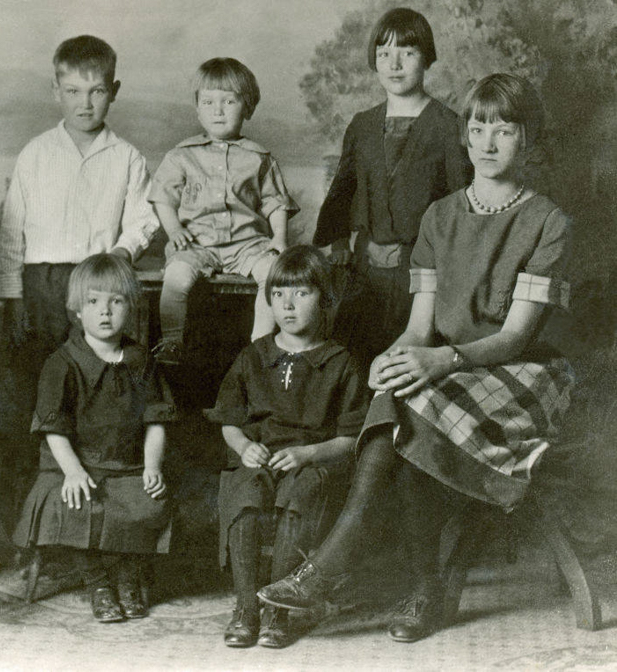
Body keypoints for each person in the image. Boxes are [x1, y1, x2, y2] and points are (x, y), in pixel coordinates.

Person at [257, 73, 573, 643]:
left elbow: (515, 338)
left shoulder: (548, 222)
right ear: (465, 135)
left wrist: (438, 361)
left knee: (415, 402)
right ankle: (424, 587)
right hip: (449, 369)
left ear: (528, 140)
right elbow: (420, 328)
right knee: (397, 391)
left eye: (505, 131)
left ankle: (335, 568)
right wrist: (392, 357)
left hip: (520, 373)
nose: (488, 142)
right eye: (479, 128)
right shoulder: (439, 217)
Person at [0, 35, 160, 520]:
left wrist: (119, 255)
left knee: (94, 392)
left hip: (97, 289)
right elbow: (11, 232)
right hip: (41, 287)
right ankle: (27, 509)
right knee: (34, 391)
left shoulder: (126, 157)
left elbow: (144, 219)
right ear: (56, 91)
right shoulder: (35, 153)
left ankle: (93, 505)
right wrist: (12, 297)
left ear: (114, 91)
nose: (85, 103)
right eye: (72, 91)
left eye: (97, 91)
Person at [205, 246, 368, 649]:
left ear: (325, 299)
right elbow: (229, 420)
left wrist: (308, 454)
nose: (288, 305)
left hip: (313, 460)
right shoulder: (254, 356)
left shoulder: (341, 362)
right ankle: (246, 606)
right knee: (243, 490)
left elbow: (351, 439)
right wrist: (244, 445)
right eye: (278, 294)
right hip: (260, 456)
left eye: (301, 293)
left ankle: (277, 608)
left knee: (301, 492)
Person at [12, 254, 175, 623]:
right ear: (77, 310)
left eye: (116, 301)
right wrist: (72, 471)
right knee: (76, 504)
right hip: (71, 463)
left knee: (147, 502)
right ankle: (97, 581)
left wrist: (151, 466)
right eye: (93, 301)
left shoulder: (141, 361)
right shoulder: (62, 363)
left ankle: (128, 576)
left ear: (131, 307)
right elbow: (53, 428)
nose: (105, 311)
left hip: (125, 463)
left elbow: (156, 421)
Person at [315, 7, 471, 363]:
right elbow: (344, 188)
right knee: (352, 358)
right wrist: (339, 240)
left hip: (422, 272)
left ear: (427, 58)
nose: (394, 64)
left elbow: (461, 202)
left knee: (407, 360)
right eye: (384, 54)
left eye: (407, 52)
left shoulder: (449, 127)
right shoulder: (362, 125)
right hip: (365, 267)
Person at [148, 57, 299, 365]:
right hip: (197, 243)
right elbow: (163, 197)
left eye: (229, 101)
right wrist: (174, 229)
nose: (218, 111)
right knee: (176, 276)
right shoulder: (181, 156)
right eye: (208, 102)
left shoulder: (259, 158)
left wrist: (280, 237)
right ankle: (172, 342)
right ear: (197, 108)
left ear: (248, 108)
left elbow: (275, 202)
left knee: (273, 274)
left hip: (247, 244)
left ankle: (260, 346)